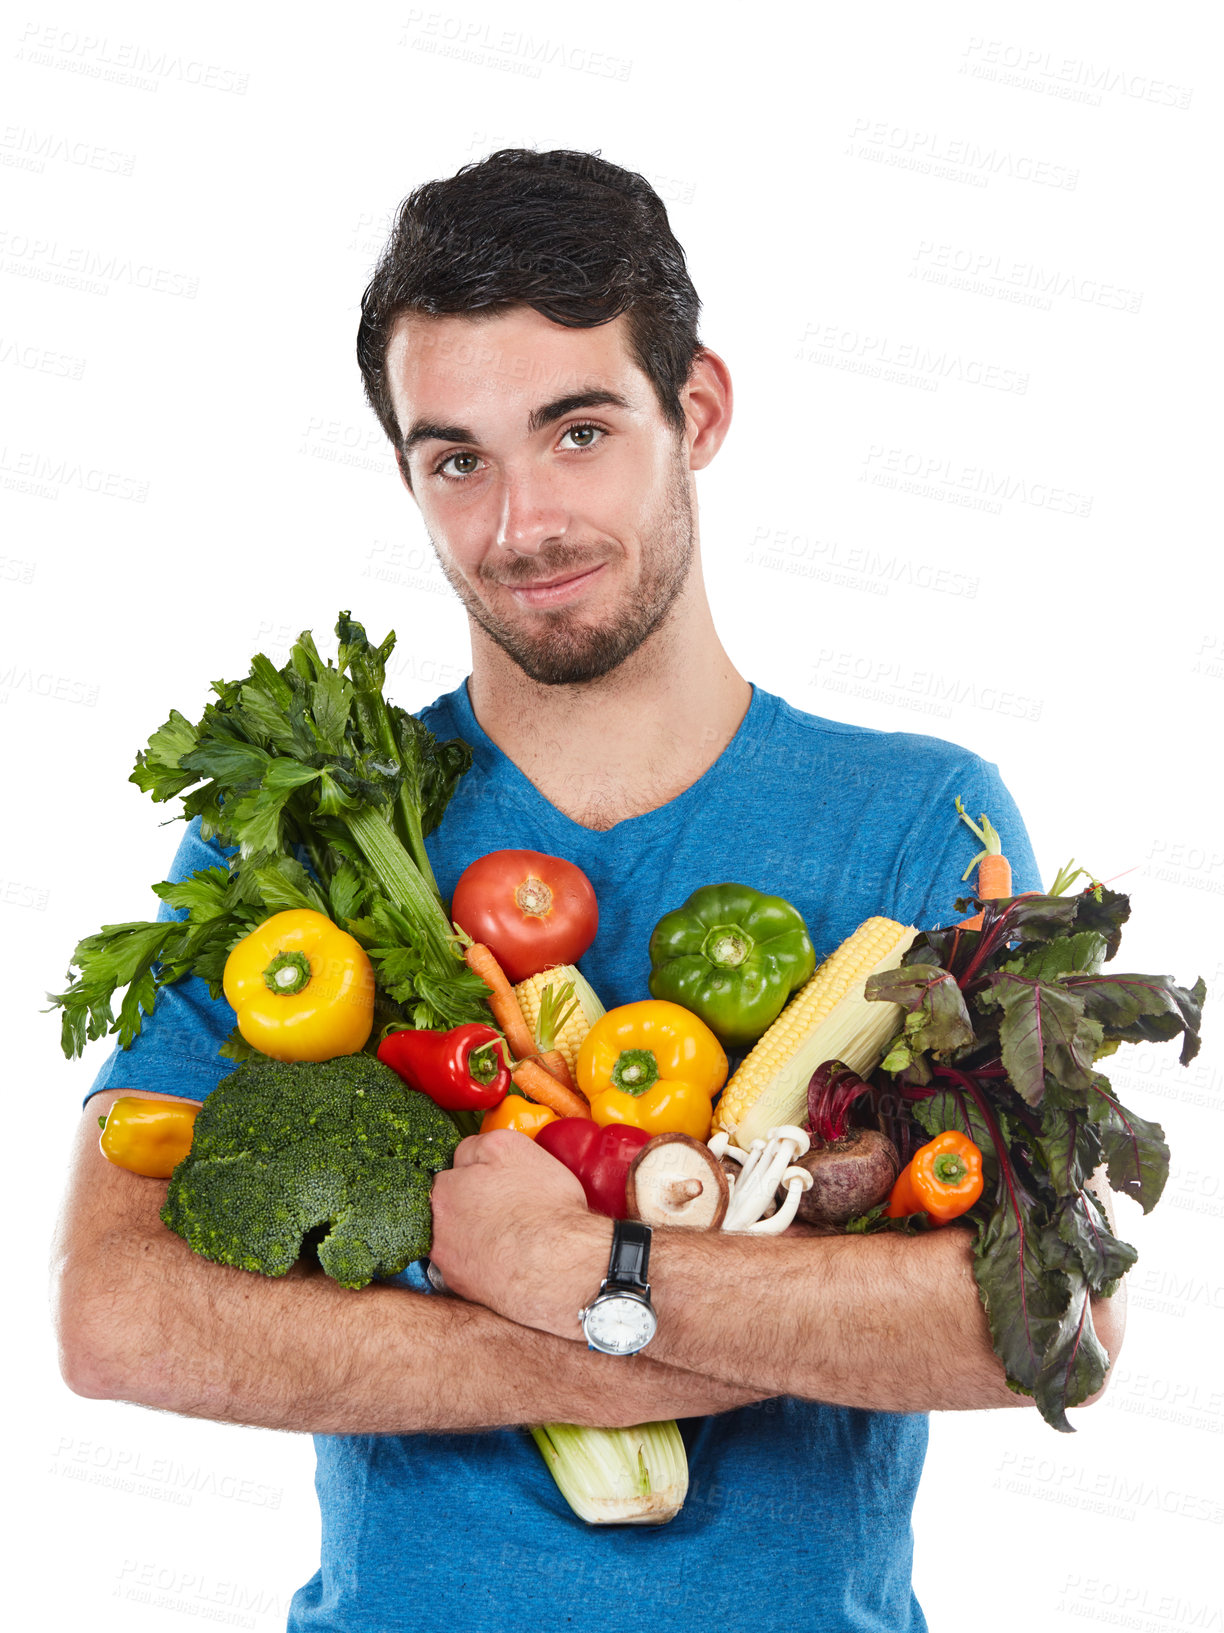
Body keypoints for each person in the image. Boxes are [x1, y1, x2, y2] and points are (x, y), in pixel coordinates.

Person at [54, 149, 1122, 1633]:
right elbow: (117, 1315)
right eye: (457, 458)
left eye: (576, 431)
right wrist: (608, 1320)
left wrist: (601, 1262)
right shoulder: (310, 821)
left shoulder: (919, 820)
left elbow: (1053, 1318)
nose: (518, 524)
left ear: (697, 411)